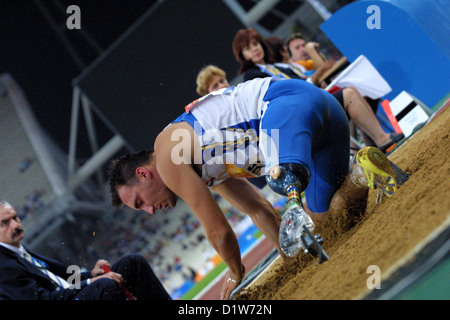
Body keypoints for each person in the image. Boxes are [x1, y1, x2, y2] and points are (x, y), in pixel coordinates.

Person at [107, 77, 408, 300]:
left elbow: (219, 232)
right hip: (321, 118)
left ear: (144, 174)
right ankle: (364, 171)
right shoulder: (202, 164)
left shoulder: (168, 155)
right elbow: (258, 210)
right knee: (329, 219)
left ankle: (340, 170)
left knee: (281, 177)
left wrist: (236, 271)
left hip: (285, 108)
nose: (149, 211)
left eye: (140, 202)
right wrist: (294, 261)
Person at [0, 201, 171, 300]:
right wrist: (92, 283)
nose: (15, 225)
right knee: (104, 285)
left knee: (133, 263)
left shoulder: (20, 251)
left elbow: (65, 279)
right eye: (5, 223)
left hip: (73, 296)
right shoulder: (3, 266)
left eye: (15, 217)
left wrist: (91, 274)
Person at [263, 35, 404, 154]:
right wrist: (312, 51)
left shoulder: (295, 66)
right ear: (284, 51)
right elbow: (321, 70)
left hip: (319, 98)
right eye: (297, 47)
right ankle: (372, 144)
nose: (303, 49)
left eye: (303, 45)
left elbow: (325, 69)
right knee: (350, 94)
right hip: (314, 106)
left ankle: (373, 143)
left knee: (357, 90)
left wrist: (318, 59)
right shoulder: (294, 66)